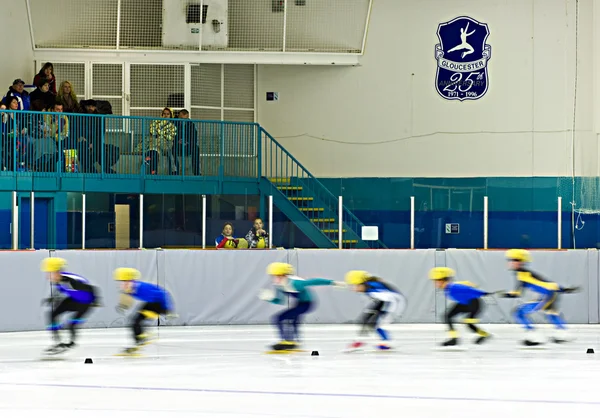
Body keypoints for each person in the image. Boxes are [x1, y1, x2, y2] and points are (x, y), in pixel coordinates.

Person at [502, 249, 579, 346]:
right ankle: (563, 333)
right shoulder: (525, 274)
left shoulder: (522, 274)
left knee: (518, 313)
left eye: (515, 260)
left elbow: (517, 293)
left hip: (548, 295)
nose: (512, 263)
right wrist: (564, 289)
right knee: (550, 313)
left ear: (522, 262)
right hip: (550, 294)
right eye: (511, 260)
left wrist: (505, 294)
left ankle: (535, 336)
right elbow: (548, 284)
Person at [259, 262, 342, 351]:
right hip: (299, 303)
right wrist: (269, 298)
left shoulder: (295, 283)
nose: (275, 279)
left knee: (279, 318)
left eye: (278, 276)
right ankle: (295, 342)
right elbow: (280, 300)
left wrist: (332, 282)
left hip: (308, 303)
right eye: (273, 276)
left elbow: (314, 281)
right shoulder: (278, 285)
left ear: (285, 275)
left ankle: (288, 341)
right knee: (291, 320)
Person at [40, 257, 99, 355]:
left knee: (71, 324)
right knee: (52, 315)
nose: (47, 276)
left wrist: (96, 300)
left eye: (49, 273)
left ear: (56, 272)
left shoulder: (71, 281)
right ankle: (58, 344)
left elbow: (91, 288)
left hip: (85, 303)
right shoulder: (58, 280)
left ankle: (71, 343)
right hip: (74, 299)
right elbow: (61, 289)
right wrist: (52, 298)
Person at [113, 267, 175, 355]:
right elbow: (127, 298)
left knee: (136, 321)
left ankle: (142, 337)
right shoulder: (130, 288)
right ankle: (140, 338)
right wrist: (123, 305)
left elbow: (163, 294)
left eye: (124, 282)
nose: (122, 285)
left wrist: (168, 309)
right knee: (134, 321)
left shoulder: (142, 288)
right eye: (121, 282)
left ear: (130, 281)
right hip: (153, 303)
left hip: (160, 304)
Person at [344, 270, 407, 351]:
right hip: (384, 302)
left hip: (393, 304)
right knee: (364, 319)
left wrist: (386, 313)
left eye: (356, 285)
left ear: (362, 283)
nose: (354, 288)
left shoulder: (373, 286)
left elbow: (391, 299)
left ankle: (388, 342)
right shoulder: (369, 286)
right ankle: (360, 340)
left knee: (374, 323)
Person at [429, 267, 492, 347]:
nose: (435, 283)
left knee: (468, 324)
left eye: (436, 281)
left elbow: (469, 289)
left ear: (442, 280)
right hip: (465, 303)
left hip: (474, 303)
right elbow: (466, 285)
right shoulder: (448, 288)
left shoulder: (453, 287)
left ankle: (485, 334)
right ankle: (454, 338)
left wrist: (483, 293)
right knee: (447, 316)